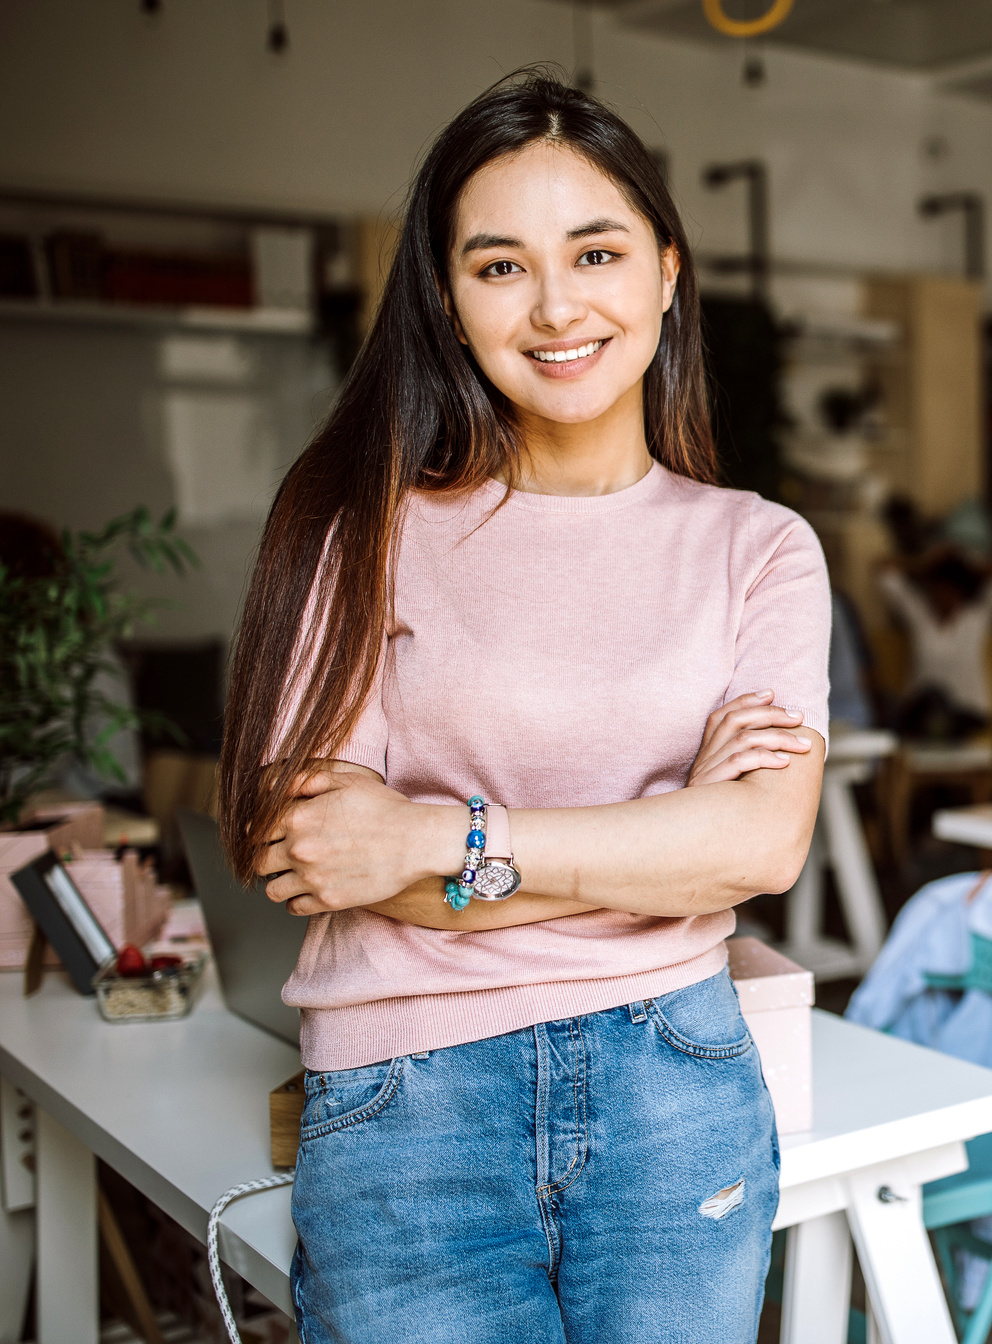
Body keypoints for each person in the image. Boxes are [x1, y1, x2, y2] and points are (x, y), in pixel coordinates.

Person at [218, 74, 828, 1341]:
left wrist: (441, 839)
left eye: (595, 253)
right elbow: (321, 855)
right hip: (409, 1108)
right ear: (448, 301)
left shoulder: (759, 550)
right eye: (501, 266)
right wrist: (667, 839)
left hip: (678, 1093)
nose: (557, 306)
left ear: (666, 271)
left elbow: (762, 845)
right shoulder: (360, 534)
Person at [876, 544, 992, 741]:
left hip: (970, 714)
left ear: (960, 591)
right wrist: (924, 561)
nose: (943, 596)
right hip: (922, 714)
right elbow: (885, 572)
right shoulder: (919, 615)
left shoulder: (977, 618)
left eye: (949, 590)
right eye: (937, 589)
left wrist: (963, 557)